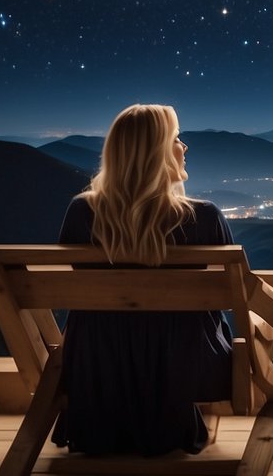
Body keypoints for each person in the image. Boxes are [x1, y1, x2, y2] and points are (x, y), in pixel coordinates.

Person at [50, 103, 261, 456]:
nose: (185, 147)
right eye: (177, 139)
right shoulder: (203, 217)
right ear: (157, 153)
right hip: (192, 363)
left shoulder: (81, 212)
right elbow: (239, 291)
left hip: (96, 360)